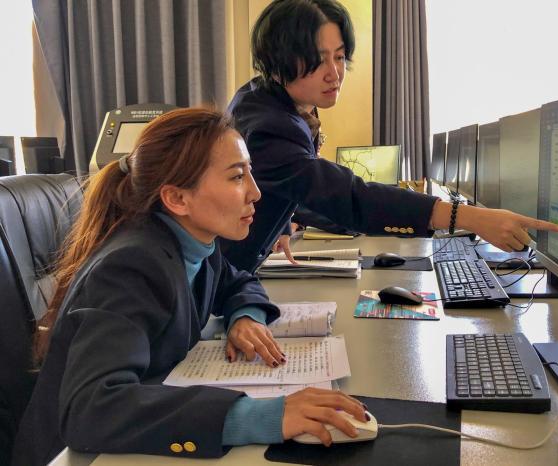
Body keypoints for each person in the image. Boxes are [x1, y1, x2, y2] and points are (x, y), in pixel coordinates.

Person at [11, 108, 368, 466]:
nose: (256, 192)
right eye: (237, 176)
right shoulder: (131, 265)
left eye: (250, 172)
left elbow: (237, 282)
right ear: (178, 199)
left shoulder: (194, 244)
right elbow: (93, 407)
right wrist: (257, 417)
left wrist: (246, 316)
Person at [225, 0, 558, 273]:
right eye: (317, 60)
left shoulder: (273, 98)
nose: (334, 73)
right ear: (279, 60)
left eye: (339, 57)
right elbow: (350, 196)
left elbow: (293, 182)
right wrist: (469, 217)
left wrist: (283, 221)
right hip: (220, 281)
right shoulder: (271, 125)